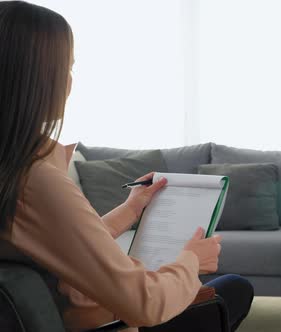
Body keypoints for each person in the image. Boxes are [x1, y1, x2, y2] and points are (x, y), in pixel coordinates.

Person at [0, 2, 253, 331]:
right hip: (112, 322)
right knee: (234, 287)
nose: (70, 83)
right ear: (37, 76)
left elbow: (64, 245)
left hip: (92, 311)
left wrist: (130, 209)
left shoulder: (14, 167)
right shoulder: (35, 179)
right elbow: (145, 303)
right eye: (67, 68)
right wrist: (191, 260)